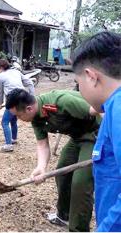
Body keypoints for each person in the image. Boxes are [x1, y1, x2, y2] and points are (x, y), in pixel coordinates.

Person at [6, 88, 100, 231]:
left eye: (18, 116)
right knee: (61, 173)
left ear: (29, 108)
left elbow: (100, 110)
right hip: (77, 138)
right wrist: (41, 167)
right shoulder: (36, 117)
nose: (19, 120)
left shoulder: (61, 101)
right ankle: (64, 215)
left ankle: (79, 228)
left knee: (80, 183)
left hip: (95, 136)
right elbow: (42, 144)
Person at [72, 31, 121, 231]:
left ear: (91, 76)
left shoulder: (118, 108)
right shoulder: (111, 109)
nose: (79, 91)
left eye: (78, 84)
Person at [0, 59, 35, 152]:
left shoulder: (1, 76)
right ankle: (13, 139)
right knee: (13, 119)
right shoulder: (17, 72)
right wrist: (32, 97)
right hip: (23, 96)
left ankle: (8, 145)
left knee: (4, 122)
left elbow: (0, 91)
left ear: (0, 68)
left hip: (13, 98)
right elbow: (30, 83)